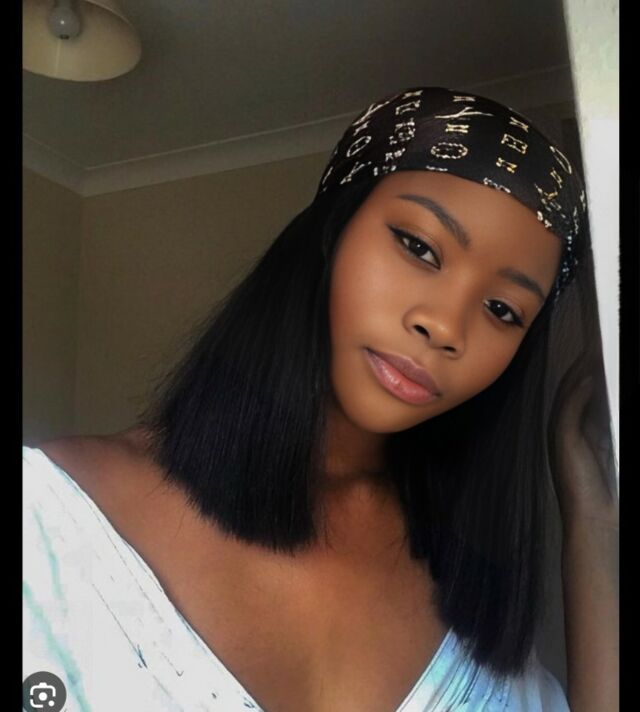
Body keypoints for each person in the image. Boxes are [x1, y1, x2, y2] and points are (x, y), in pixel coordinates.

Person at [23, 87, 618, 711]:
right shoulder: (46, 519)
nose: (446, 326)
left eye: (503, 309)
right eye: (419, 247)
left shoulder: (469, 598)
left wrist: (592, 521)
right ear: (333, 229)